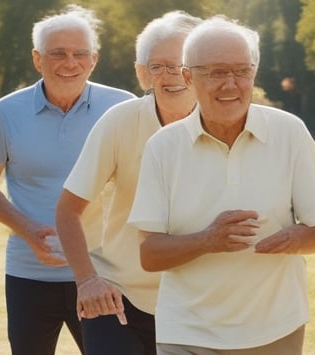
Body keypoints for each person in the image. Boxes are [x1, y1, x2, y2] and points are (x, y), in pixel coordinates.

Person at [126, 16, 315, 354]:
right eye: (216, 72)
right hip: (187, 333)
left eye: (241, 71)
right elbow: (150, 255)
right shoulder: (163, 147)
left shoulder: (288, 131)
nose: (231, 84)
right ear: (188, 77)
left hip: (276, 329)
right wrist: (208, 240)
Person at [0, 4, 135, 354]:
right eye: (57, 53)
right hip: (29, 274)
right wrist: (28, 229)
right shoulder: (6, 112)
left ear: (94, 59)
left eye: (80, 54)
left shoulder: (124, 108)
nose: (70, 63)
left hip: (105, 274)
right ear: (37, 59)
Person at [53, 11, 201, 355]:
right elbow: (67, 210)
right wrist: (88, 280)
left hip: (196, 304)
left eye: (182, 65)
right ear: (142, 73)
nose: (172, 76)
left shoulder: (224, 125)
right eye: (158, 66)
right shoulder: (120, 121)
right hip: (119, 297)